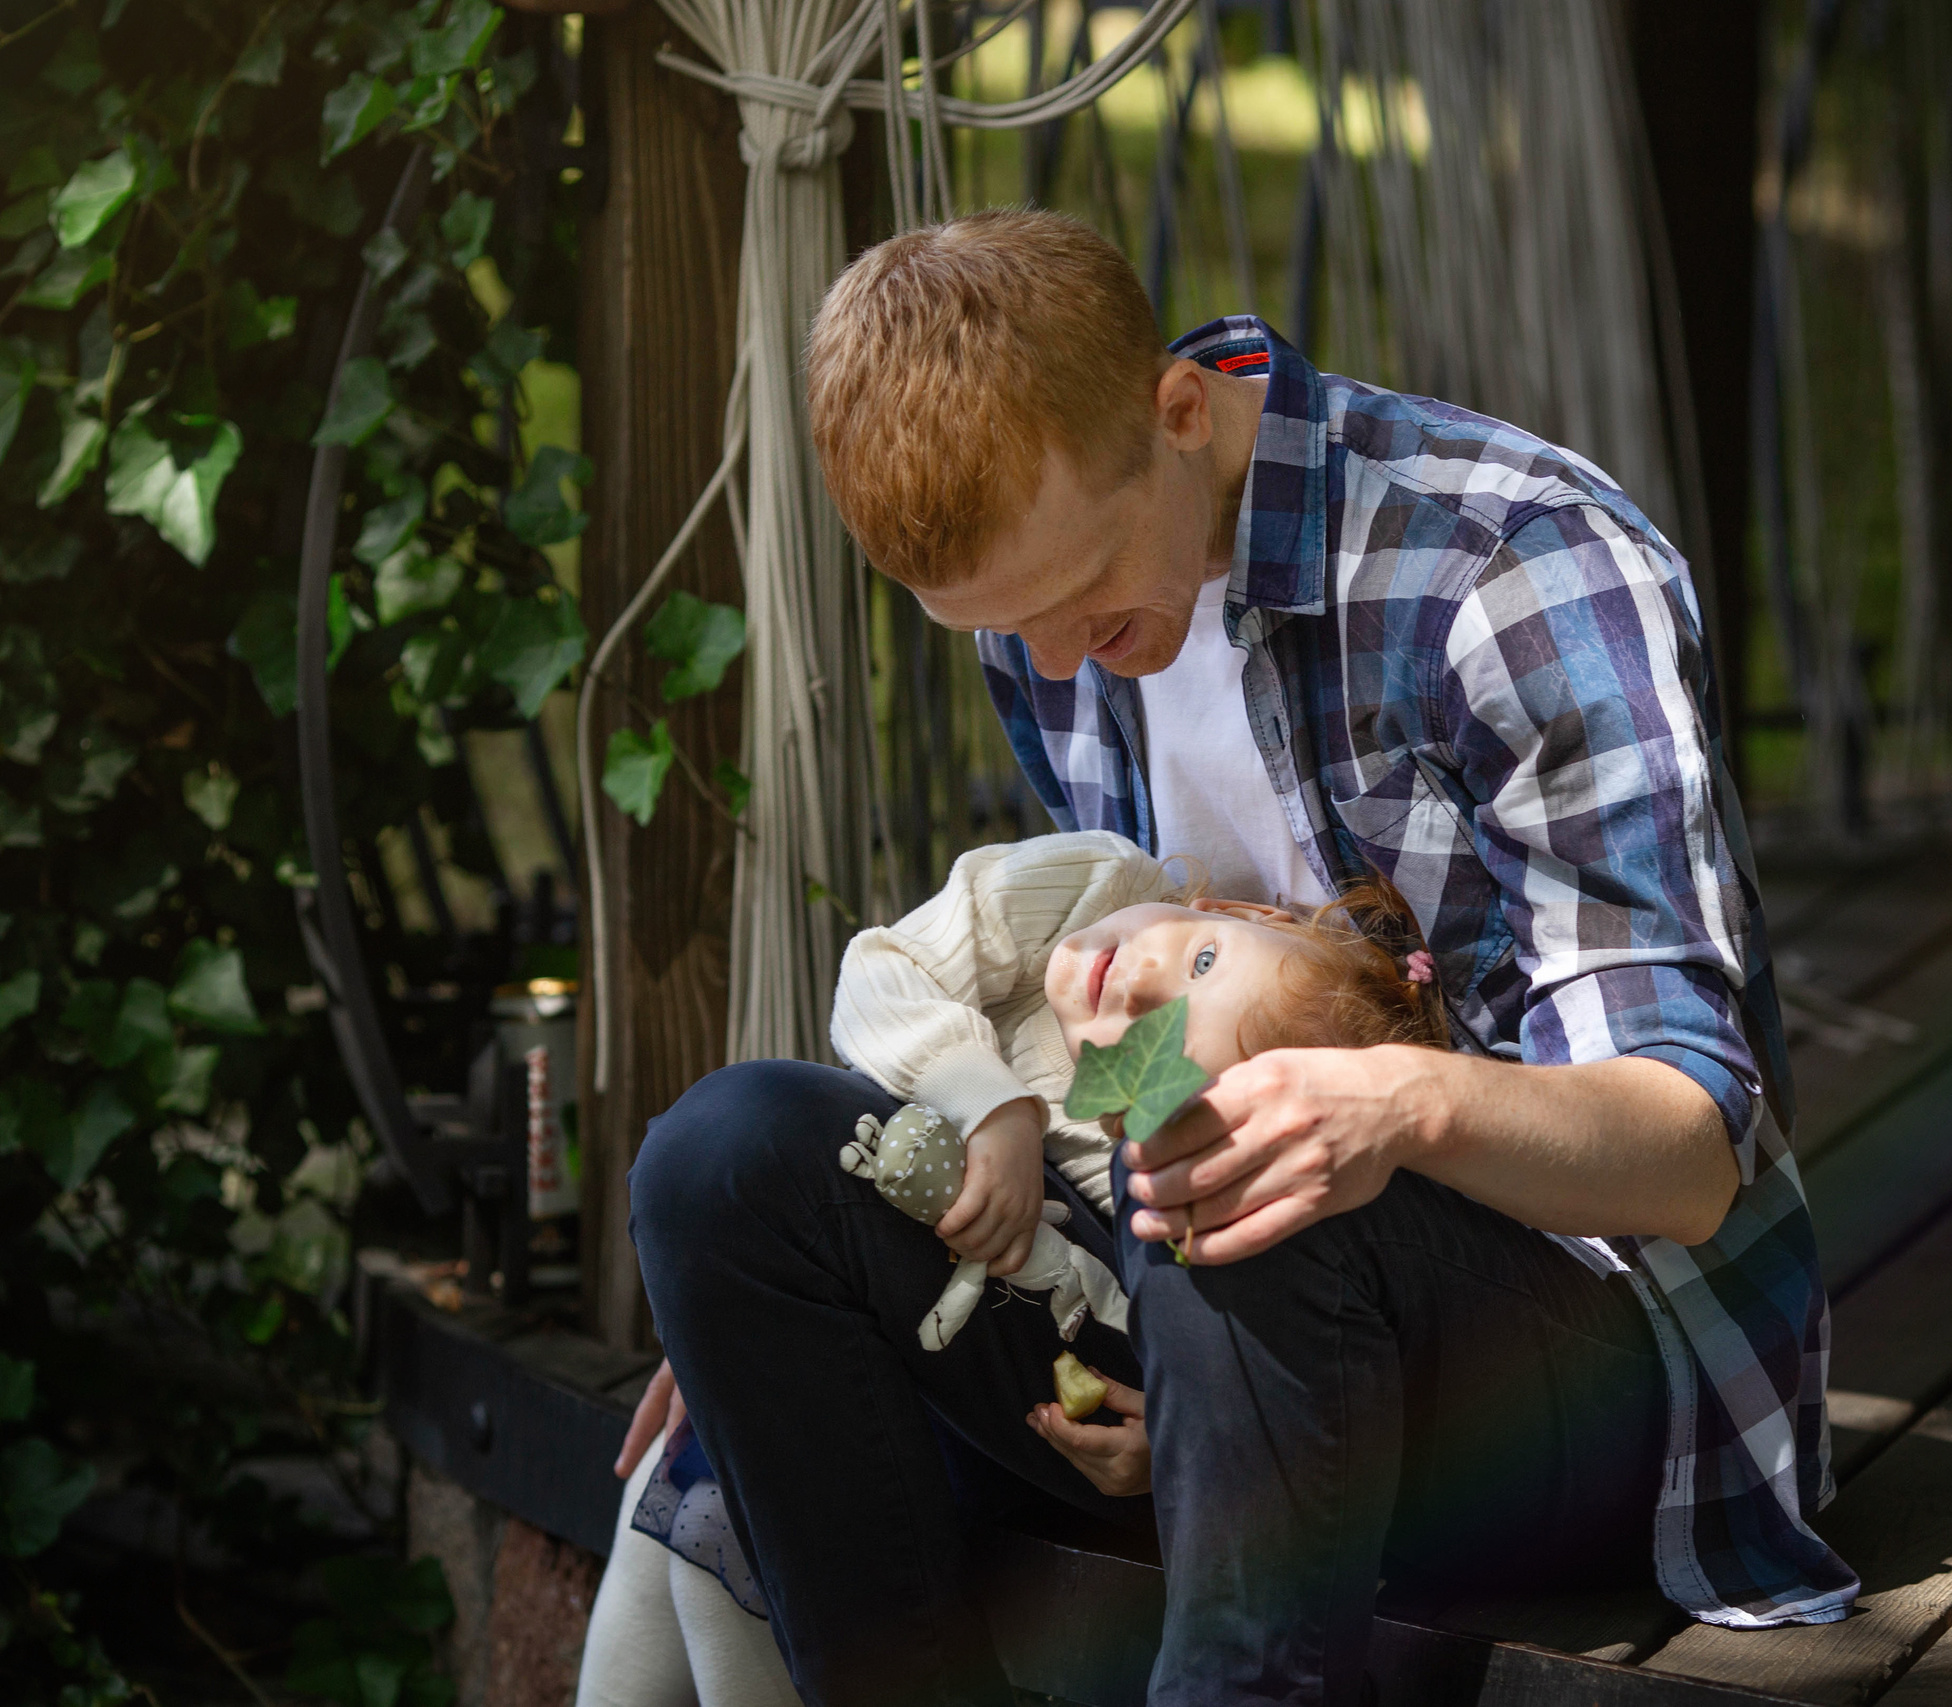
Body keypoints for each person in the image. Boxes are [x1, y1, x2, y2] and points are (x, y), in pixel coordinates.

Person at [624, 208, 1856, 1707]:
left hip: (1595, 1369)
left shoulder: (1510, 570)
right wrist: (818, 1281)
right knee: (730, 1162)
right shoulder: (1063, 611)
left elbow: (1689, 1153)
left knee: (1245, 1158)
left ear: (1178, 412)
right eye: (1006, 630)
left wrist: (1394, 1107)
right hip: (1227, 1318)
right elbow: (1134, 1050)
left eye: (1078, 599)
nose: (1058, 660)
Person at [580, 831, 1442, 1705]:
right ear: (1234, 909)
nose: (1139, 986)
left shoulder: (1162, 1158)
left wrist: (1195, 1428)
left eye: (1152, 1050)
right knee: (686, 1490)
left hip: (1063, 1359)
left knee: (702, 1512)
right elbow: (884, 966)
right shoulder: (1101, 881)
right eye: (1203, 957)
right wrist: (991, 1106)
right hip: (924, 1266)